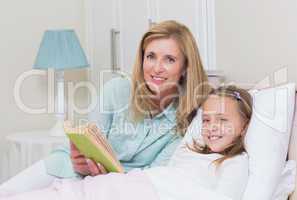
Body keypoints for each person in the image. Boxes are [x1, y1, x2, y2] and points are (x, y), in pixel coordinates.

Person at [0, 20, 210, 194]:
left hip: (118, 185)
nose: (156, 68)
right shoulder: (117, 89)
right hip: (66, 166)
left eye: (169, 59)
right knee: (7, 192)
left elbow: (154, 173)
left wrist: (110, 177)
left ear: (185, 68)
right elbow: (89, 138)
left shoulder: (186, 118)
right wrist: (78, 160)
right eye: (150, 56)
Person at [2, 85, 253, 200]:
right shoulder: (191, 151)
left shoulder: (235, 163)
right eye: (207, 120)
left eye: (222, 120)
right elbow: (166, 173)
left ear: (243, 127)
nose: (211, 128)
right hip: (131, 183)